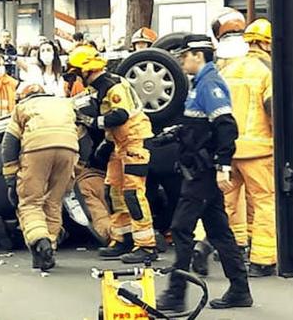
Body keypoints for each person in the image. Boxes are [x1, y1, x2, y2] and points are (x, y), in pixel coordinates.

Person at [156, 34, 252, 312]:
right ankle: (239, 289)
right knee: (219, 232)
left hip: (204, 173)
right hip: (201, 171)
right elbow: (200, 128)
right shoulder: (201, 84)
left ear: (198, 55)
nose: (182, 60)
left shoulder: (210, 85)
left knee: (181, 229)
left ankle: (176, 293)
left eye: (185, 55)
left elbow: (225, 127)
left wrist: (223, 166)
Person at [67, 45, 158, 264]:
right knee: (114, 192)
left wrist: (91, 122)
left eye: (78, 74)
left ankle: (146, 246)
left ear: (87, 71)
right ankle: (122, 238)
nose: (78, 79)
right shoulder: (100, 87)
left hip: (135, 143)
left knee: (133, 194)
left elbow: (120, 115)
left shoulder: (112, 86)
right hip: (119, 145)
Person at [1, 83, 91, 271]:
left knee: (30, 202)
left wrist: (11, 176)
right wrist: (78, 167)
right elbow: (85, 141)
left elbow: (9, 143)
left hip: (37, 149)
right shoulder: (66, 104)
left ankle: (41, 241)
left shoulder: (22, 108)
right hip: (69, 149)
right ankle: (48, 252)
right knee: (54, 202)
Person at [218, 19, 276, 277]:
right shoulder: (267, 71)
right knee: (264, 202)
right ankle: (263, 259)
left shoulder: (227, 69)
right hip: (258, 150)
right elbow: (273, 110)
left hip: (229, 151)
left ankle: (223, 248)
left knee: (227, 202)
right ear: (265, 43)